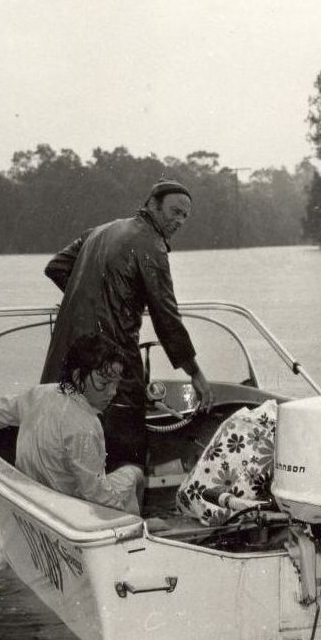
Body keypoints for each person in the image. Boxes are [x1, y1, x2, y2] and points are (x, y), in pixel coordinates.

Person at [41, 179, 214, 473]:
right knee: (126, 442)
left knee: (70, 426)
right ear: (152, 205)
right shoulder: (152, 244)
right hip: (113, 358)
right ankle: (125, 509)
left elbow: (57, 266)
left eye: (185, 216)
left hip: (70, 354)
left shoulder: (100, 231)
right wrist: (195, 373)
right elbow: (166, 315)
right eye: (174, 212)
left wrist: (90, 299)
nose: (179, 221)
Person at [0, 333, 144, 515]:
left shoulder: (40, 393)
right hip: (73, 508)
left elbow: (0, 411)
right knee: (135, 473)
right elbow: (96, 495)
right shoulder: (86, 425)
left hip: (36, 496)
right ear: (78, 377)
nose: (112, 393)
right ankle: (138, 527)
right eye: (104, 383)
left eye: (115, 384)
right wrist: (125, 514)